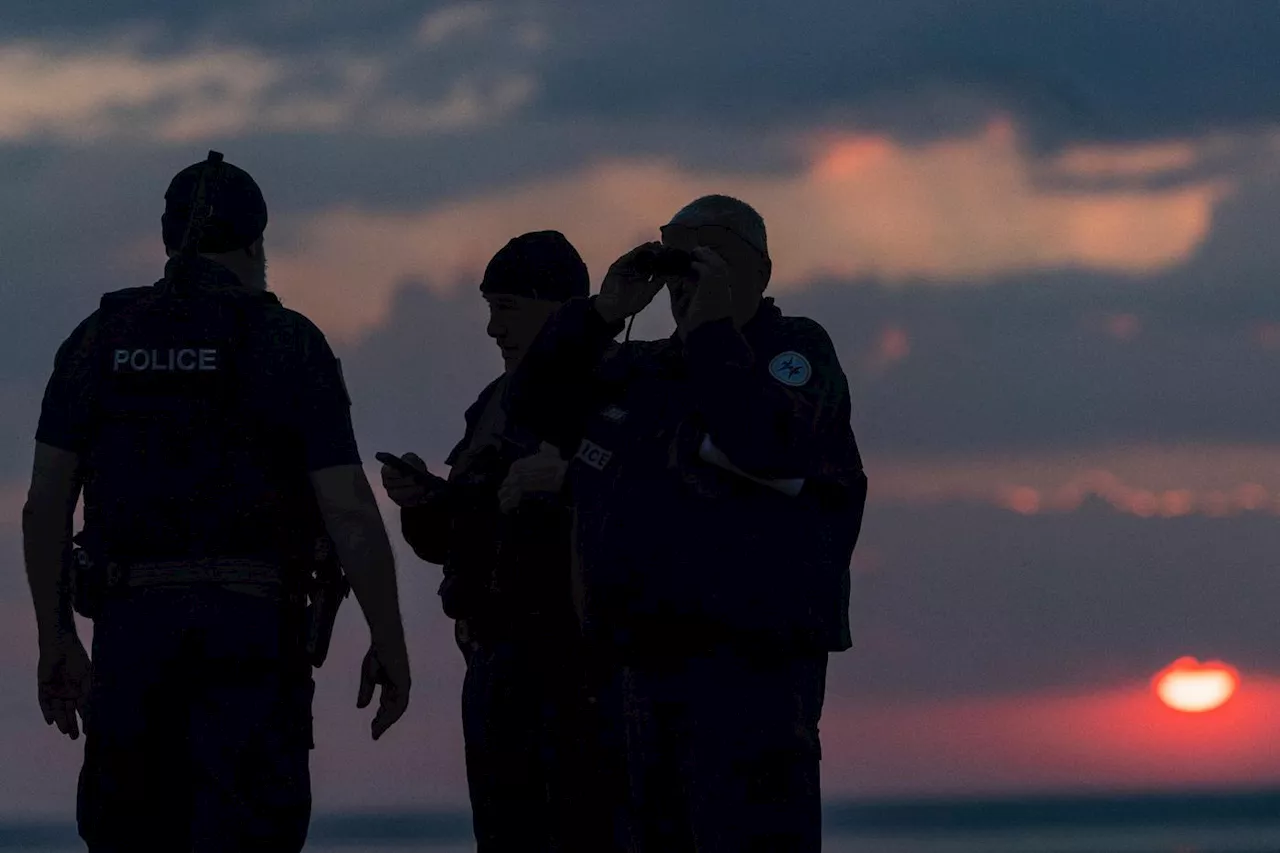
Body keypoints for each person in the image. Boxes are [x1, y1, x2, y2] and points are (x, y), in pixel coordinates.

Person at [22, 151, 412, 853]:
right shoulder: (288, 342)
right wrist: (389, 638)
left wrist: (56, 639)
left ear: (170, 241)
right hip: (252, 643)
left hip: (132, 639)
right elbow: (349, 509)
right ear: (257, 244)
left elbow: (46, 503)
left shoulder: (99, 339)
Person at [503, 195, 868, 851]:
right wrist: (599, 314)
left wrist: (711, 329)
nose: (682, 283)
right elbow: (531, 404)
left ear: (755, 268)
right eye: (675, 264)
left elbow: (766, 440)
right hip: (635, 673)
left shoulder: (793, 353)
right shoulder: (644, 371)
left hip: (751, 677)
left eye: (703, 260)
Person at [380, 231, 623, 852]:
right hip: (496, 664)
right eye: (489, 308)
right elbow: (460, 533)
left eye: (507, 309)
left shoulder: (618, 390)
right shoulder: (493, 405)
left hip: (581, 670)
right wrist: (423, 502)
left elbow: (648, 506)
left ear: (561, 310)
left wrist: (570, 483)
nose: (492, 329)